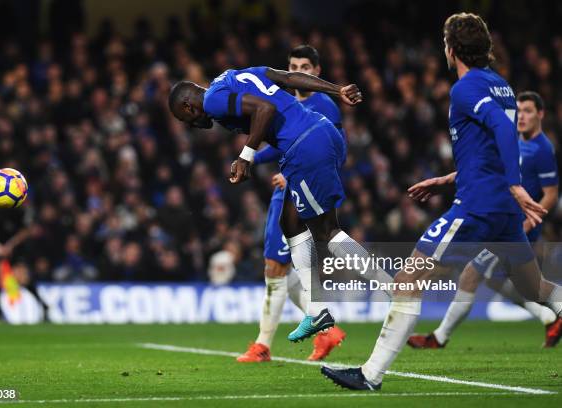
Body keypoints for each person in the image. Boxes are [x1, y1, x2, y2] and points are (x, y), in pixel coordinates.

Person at [321, 13, 562, 391]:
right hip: (500, 210)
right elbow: (490, 150)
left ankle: (370, 375)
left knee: (406, 281)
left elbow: (501, 128)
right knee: (536, 289)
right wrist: (449, 178)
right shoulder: (502, 86)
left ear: (451, 50)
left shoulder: (464, 88)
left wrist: (516, 185)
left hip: (476, 208)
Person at [168, 60, 393, 344]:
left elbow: (266, 109)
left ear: (188, 107)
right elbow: (289, 78)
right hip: (320, 133)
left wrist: (245, 157)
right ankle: (317, 311)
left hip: (303, 145)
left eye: (184, 119)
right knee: (291, 223)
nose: (190, 124)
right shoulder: (236, 76)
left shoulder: (213, 101)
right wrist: (337, 90)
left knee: (325, 231)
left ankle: (392, 290)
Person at [407, 91, 562, 349]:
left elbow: (551, 195)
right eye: (519, 110)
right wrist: (444, 181)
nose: (521, 116)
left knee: (472, 274)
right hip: (501, 220)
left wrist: (528, 223)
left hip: (512, 225)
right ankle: (548, 316)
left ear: (541, 115)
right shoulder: (514, 143)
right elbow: (483, 170)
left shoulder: (542, 149)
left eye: (528, 111)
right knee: (511, 283)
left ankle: (440, 337)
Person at [237, 45, 346, 363]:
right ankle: (325, 329)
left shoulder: (324, 104)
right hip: (283, 191)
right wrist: (251, 157)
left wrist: (298, 175)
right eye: (293, 66)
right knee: (276, 268)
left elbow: (338, 149)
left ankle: (263, 345)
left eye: (306, 66)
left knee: (276, 267)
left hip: (302, 189)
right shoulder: (285, 103)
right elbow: (280, 145)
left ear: (317, 72)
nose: (299, 71)